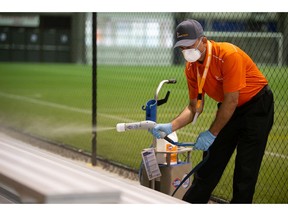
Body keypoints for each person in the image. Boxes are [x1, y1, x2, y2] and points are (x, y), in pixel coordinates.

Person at [150, 19, 274, 203]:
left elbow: (232, 100)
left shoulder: (228, 55)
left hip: (256, 107)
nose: (185, 51)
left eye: (189, 45)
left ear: (203, 40)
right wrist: (171, 126)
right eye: (181, 47)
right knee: (209, 165)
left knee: (245, 171)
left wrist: (212, 133)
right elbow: (195, 107)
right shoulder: (191, 67)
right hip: (228, 108)